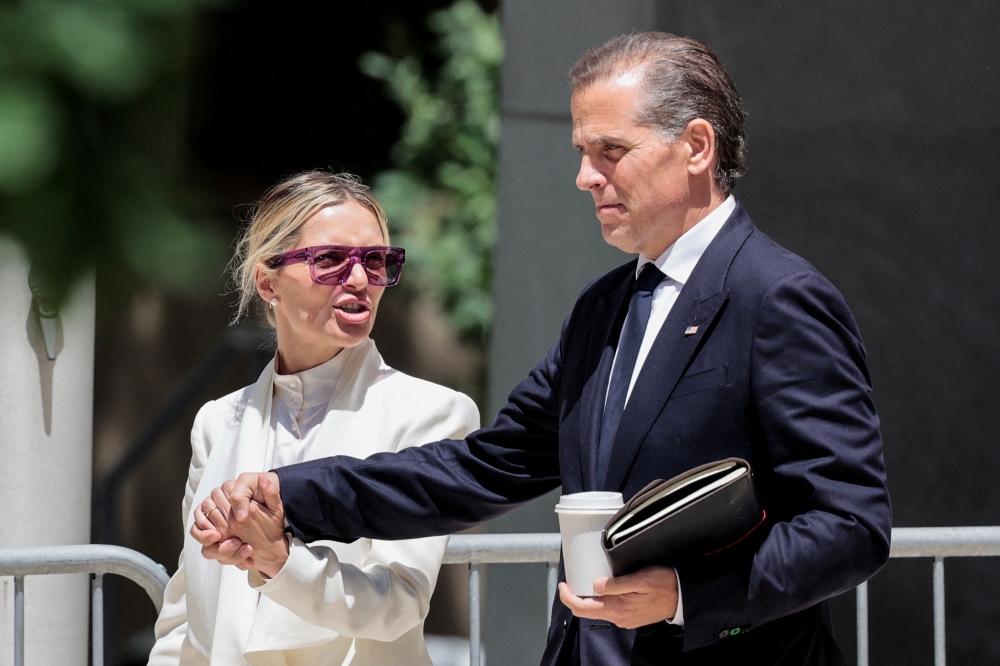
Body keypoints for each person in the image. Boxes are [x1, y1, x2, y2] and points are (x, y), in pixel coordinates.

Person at [195, 33, 891, 665]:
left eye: (610, 152)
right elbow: (480, 468)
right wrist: (289, 494)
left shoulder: (778, 298)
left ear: (697, 147)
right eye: (582, 154)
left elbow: (851, 524)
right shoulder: (603, 308)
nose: (586, 177)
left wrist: (684, 594)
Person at [147, 171, 480, 666]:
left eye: (375, 260)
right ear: (267, 281)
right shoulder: (218, 423)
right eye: (329, 260)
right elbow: (186, 618)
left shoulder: (431, 415)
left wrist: (281, 562)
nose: (360, 279)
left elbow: (399, 602)